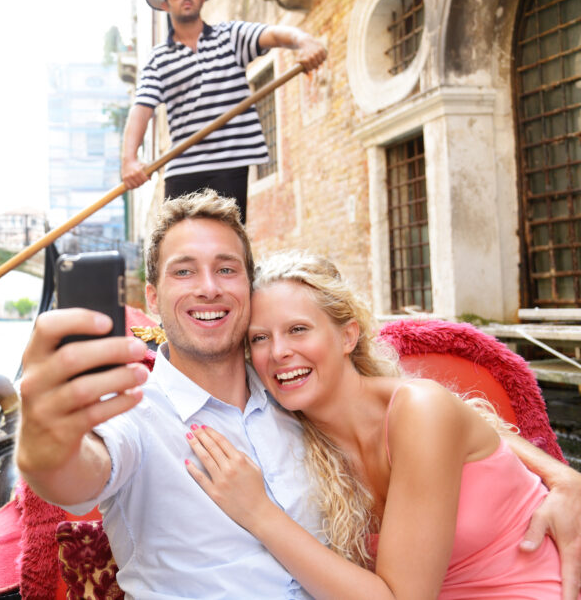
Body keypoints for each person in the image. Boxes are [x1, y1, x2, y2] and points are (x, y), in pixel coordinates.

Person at [15, 189, 581, 599]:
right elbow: (78, 473)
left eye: (227, 269)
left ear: (246, 288)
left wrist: (562, 477)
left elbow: (434, 418)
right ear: (154, 296)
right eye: (185, 272)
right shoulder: (134, 409)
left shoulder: (292, 394)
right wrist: (45, 441)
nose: (209, 287)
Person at [186, 251, 576, 599]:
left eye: (298, 329)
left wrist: (258, 514)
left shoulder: (419, 409)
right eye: (259, 338)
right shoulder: (294, 439)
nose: (279, 352)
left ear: (348, 336)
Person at [120, 0, 328, 222]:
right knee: (177, 245)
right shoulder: (158, 58)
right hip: (183, 166)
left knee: (227, 243)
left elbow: (274, 35)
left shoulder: (231, 36)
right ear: (165, 4)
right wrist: (129, 160)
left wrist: (304, 42)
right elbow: (141, 109)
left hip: (230, 163)